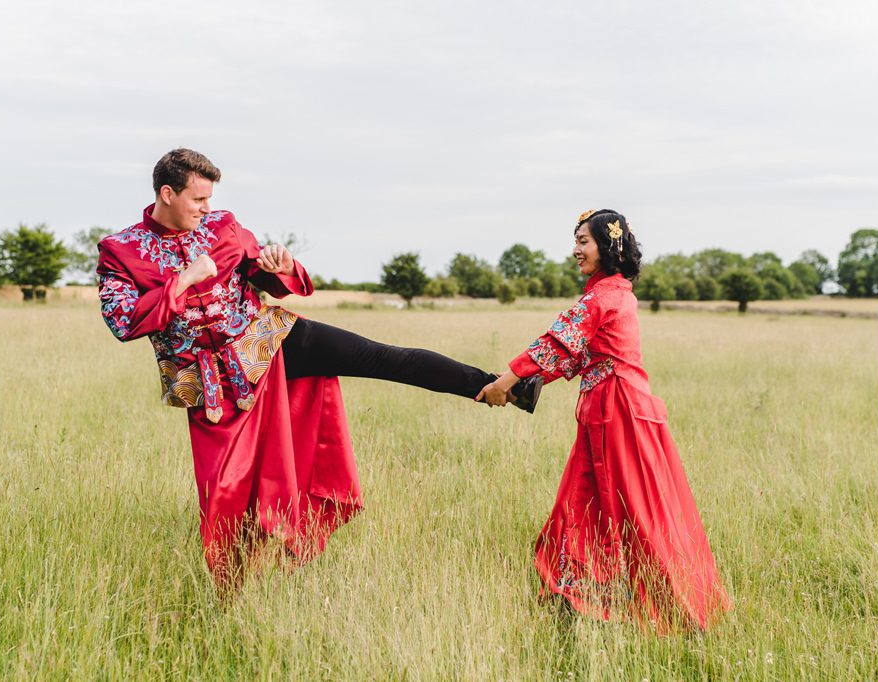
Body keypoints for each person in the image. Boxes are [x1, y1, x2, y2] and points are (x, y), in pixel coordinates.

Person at [96, 148, 538, 591]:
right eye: (198, 200)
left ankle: (505, 387)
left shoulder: (223, 226)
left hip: (270, 341)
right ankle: (231, 594)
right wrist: (184, 279)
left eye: (210, 198)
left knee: (382, 357)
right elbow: (123, 321)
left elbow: (269, 277)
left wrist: (282, 265)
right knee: (226, 494)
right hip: (213, 388)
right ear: (167, 194)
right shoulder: (120, 250)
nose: (207, 209)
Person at [478, 209, 730, 632]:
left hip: (617, 410)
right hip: (612, 405)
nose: (575, 250)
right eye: (575, 241)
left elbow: (553, 345)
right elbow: (571, 356)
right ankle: (580, 592)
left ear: (607, 247)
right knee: (587, 499)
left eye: (583, 242)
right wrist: (522, 383)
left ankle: (667, 605)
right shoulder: (617, 292)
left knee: (626, 506)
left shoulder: (601, 297)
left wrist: (505, 382)